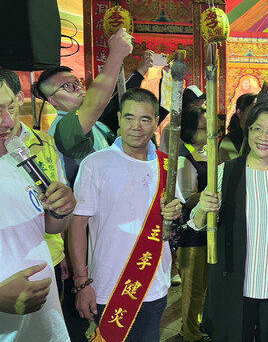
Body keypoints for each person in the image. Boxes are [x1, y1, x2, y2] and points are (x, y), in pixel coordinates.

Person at [191, 98, 268, 341]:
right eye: (257, 128)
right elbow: (197, 223)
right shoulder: (226, 172)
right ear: (247, 130)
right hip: (234, 283)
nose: (263, 136)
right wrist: (203, 208)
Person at [68, 88, 183, 341]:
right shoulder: (96, 164)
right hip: (108, 287)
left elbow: (175, 213)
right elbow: (77, 226)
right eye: (129, 118)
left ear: (155, 123)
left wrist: (176, 212)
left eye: (145, 119)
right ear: (119, 118)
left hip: (154, 284)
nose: (137, 126)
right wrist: (82, 282)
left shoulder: (167, 166)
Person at [0, 75, 76, 341]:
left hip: (44, 323)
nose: (8, 122)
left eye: (10, 107)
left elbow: (46, 227)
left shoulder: (20, 158)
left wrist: (60, 210)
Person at [32, 27, 133, 185]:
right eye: (67, 86)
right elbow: (95, 104)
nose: (77, 87)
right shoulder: (63, 127)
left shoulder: (96, 124)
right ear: (52, 100)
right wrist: (116, 55)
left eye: (76, 82)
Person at [176, 106, 209, 342]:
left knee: (202, 286)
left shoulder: (204, 153)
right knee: (191, 288)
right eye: (202, 128)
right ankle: (190, 333)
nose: (208, 132)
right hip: (191, 232)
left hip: (207, 230)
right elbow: (187, 198)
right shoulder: (183, 159)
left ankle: (196, 327)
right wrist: (214, 191)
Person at [218, 92, 257, 163]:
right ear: (239, 113)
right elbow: (235, 169)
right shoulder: (229, 141)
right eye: (253, 109)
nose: (257, 114)